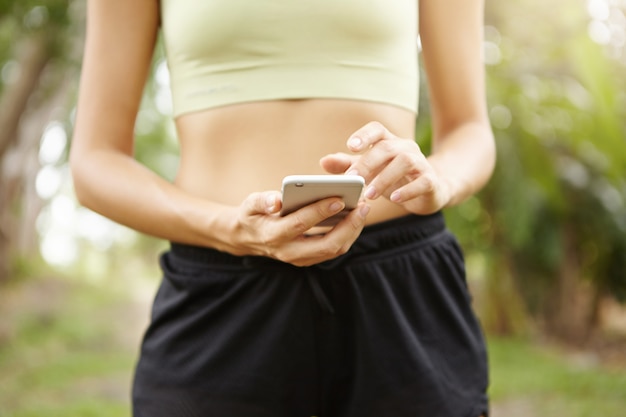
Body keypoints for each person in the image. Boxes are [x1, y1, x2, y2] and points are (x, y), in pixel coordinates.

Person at [70, 0, 496, 416]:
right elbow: (95, 161)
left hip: (401, 296)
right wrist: (225, 228)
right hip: (220, 292)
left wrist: (440, 180)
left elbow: (469, 128)